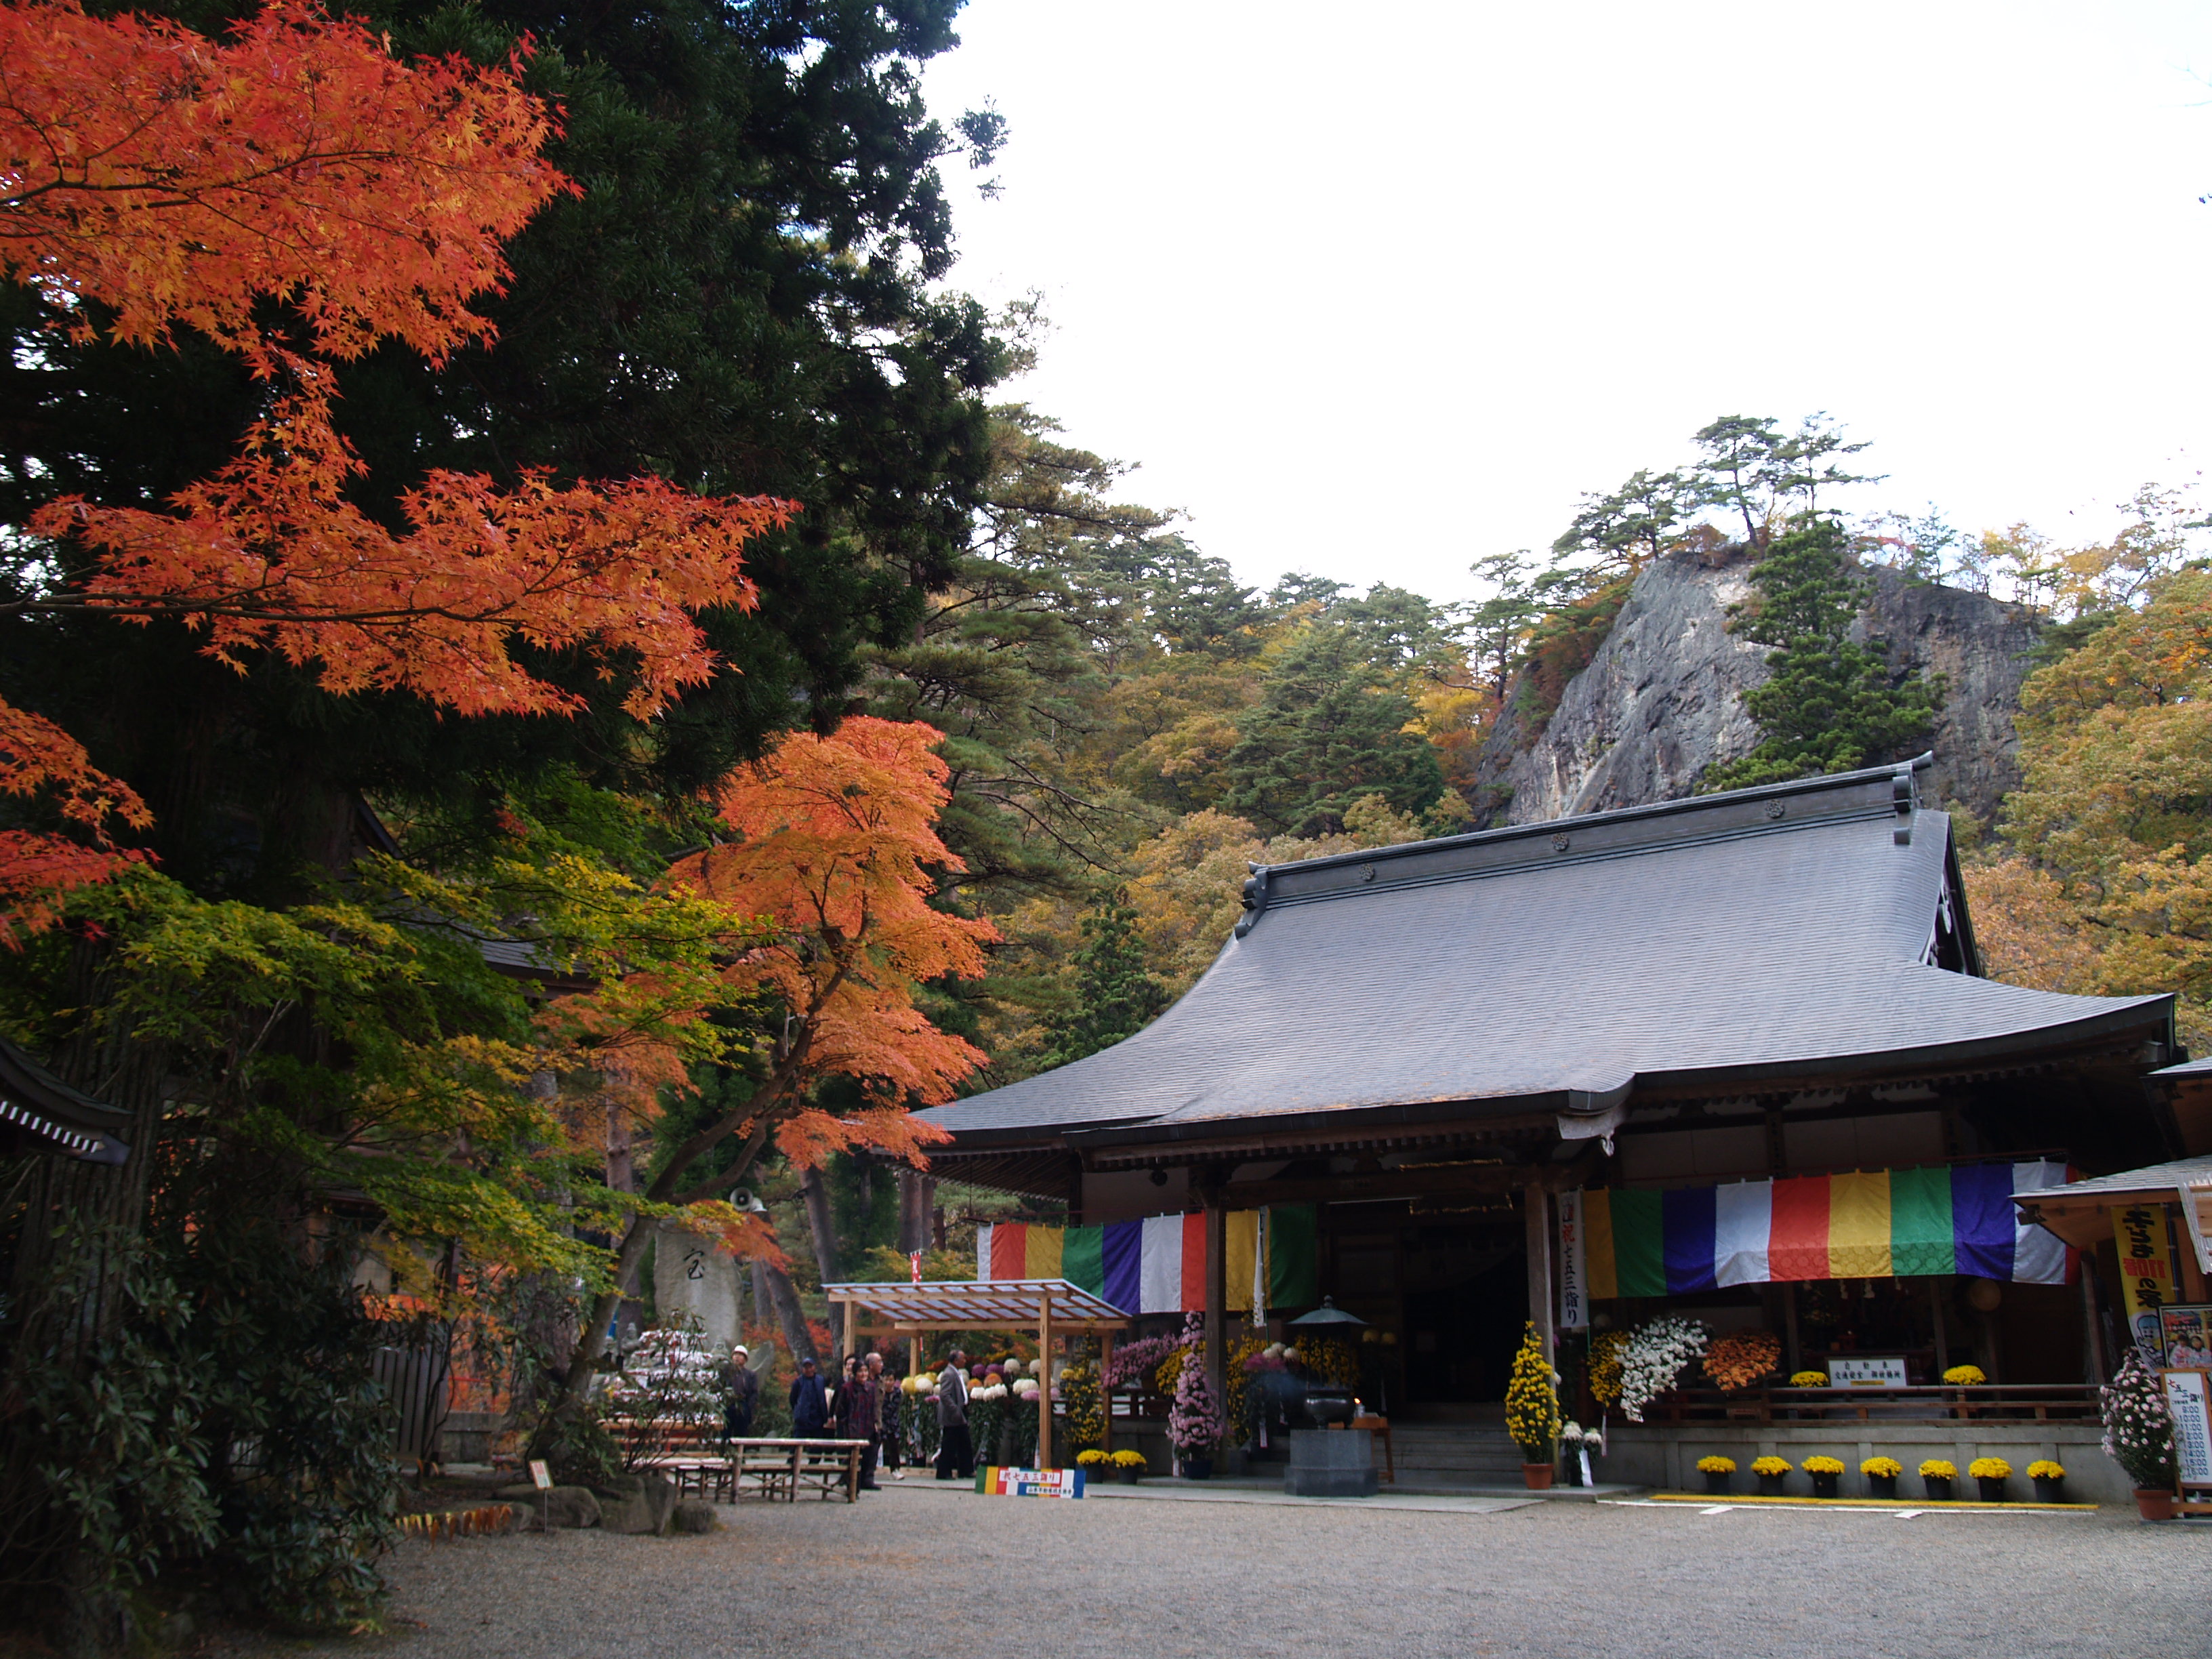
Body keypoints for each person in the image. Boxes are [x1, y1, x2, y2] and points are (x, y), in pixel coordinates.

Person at [935, 1347, 973, 1481]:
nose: (965, 1360)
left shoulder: (956, 1372)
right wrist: (955, 1410)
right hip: (951, 1415)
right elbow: (945, 1395)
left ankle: (966, 1470)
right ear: (956, 1360)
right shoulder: (949, 1374)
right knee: (949, 1444)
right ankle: (944, 1472)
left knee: (964, 1442)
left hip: (959, 1413)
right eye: (963, 1358)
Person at [867, 1352, 904, 1479]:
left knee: (894, 1446)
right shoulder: (877, 1387)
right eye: (887, 1380)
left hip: (892, 1422)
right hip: (880, 1420)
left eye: (891, 1380)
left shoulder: (898, 1393)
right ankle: (871, 1469)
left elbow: (896, 1408)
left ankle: (895, 1469)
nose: (889, 1383)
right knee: (876, 1445)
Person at [719, 1343, 760, 1442]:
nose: (737, 1357)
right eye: (735, 1354)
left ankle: (740, 1455)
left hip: (743, 1405)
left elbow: (754, 1393)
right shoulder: (726, 1372)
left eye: (740, 1355)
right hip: (728, 1405)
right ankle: (724, 1454)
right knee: (725, 1432)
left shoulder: (750, 1375)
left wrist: (749, 1406)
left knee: (741, 1434)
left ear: (745, 1359)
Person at [790, 1354, 830, 1437]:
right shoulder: (798, 1382)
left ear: (814, 1367)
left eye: (810, 1367)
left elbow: (822, 1398)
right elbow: (793, 1399)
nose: (808, 1369)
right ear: (803, 1369)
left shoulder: (820, 1380)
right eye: (806, 1367)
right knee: (797, 1443)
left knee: (817, 1446)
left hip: (817, 1418)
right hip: (803, 1418)